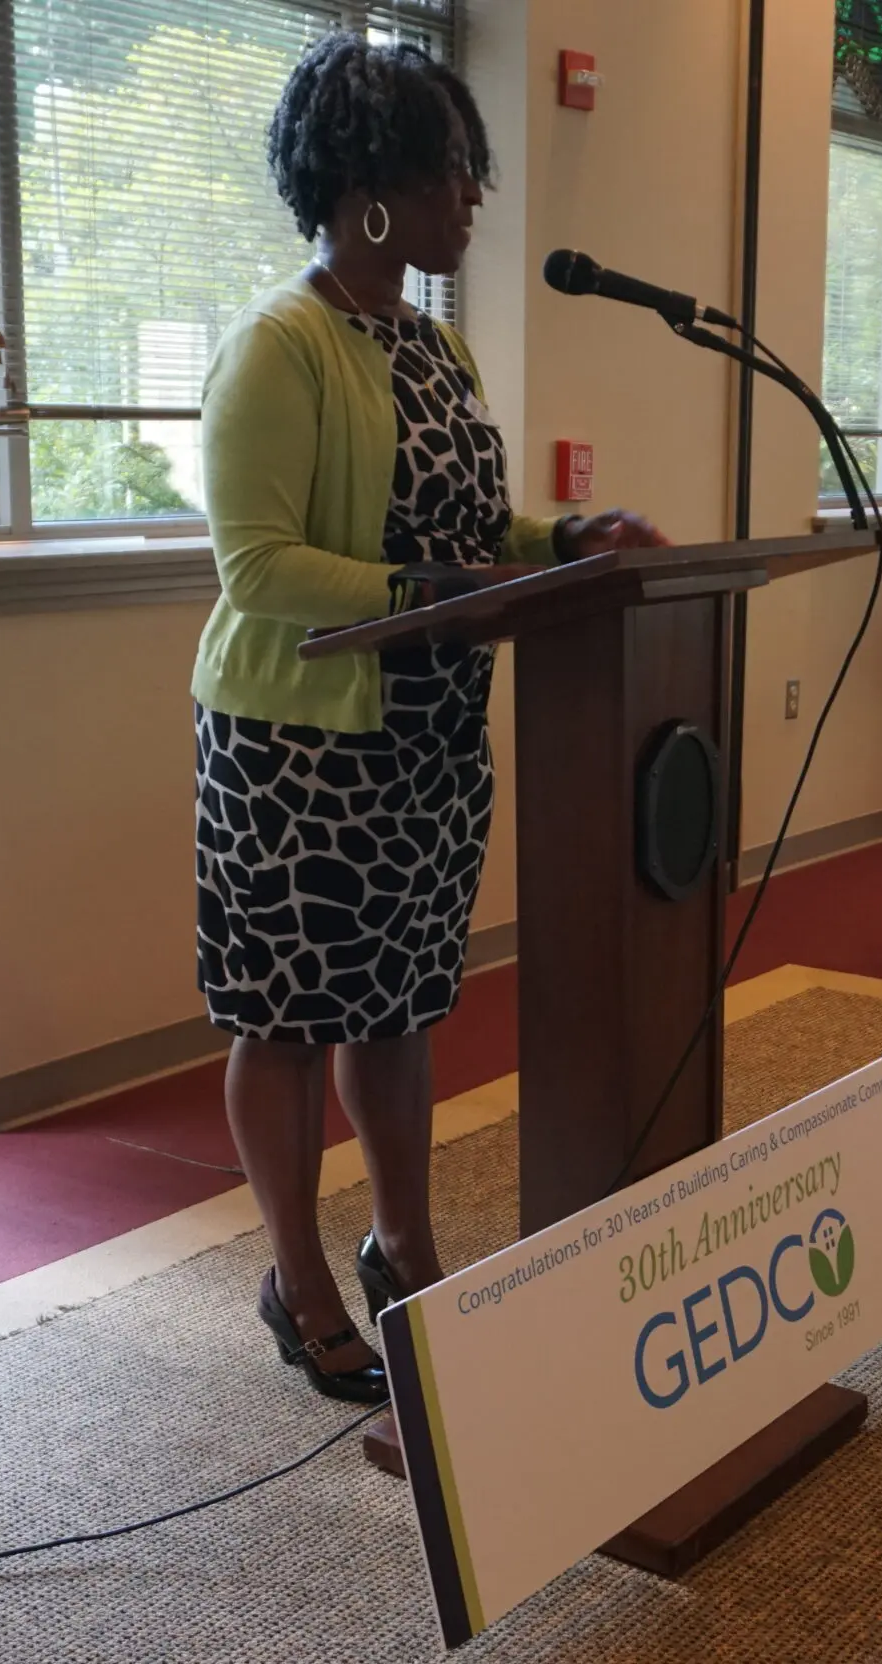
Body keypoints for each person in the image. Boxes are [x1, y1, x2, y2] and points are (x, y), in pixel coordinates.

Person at [196, 33, 667, 1403]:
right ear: (372, 187)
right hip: (297, 746)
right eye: (456, 169)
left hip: (428, 740)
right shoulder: (278, 349)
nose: (477, 195)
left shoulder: (436, 343)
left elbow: (472, 526)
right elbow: (261, 565)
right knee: (287, 1018)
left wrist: (568, 534)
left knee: (396, 1010)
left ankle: (406, 1248)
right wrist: (439, 587)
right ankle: (301, 1277)